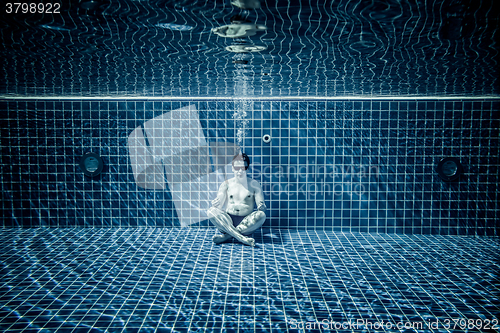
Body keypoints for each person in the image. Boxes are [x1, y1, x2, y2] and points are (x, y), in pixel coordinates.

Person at [207, 153, 266, 246]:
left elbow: (261, 206)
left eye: (243, 168)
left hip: (246, 224)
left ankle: (227, 236)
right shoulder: (226, 184)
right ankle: (242, 238)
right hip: (227, 222)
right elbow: (219, 203)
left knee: (261, 215)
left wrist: (261, 207)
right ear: (232, 168)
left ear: (247, 168)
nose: (240, 171)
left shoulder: (254, 184)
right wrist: (216, 203)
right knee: (211, 211)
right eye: (237, 167)